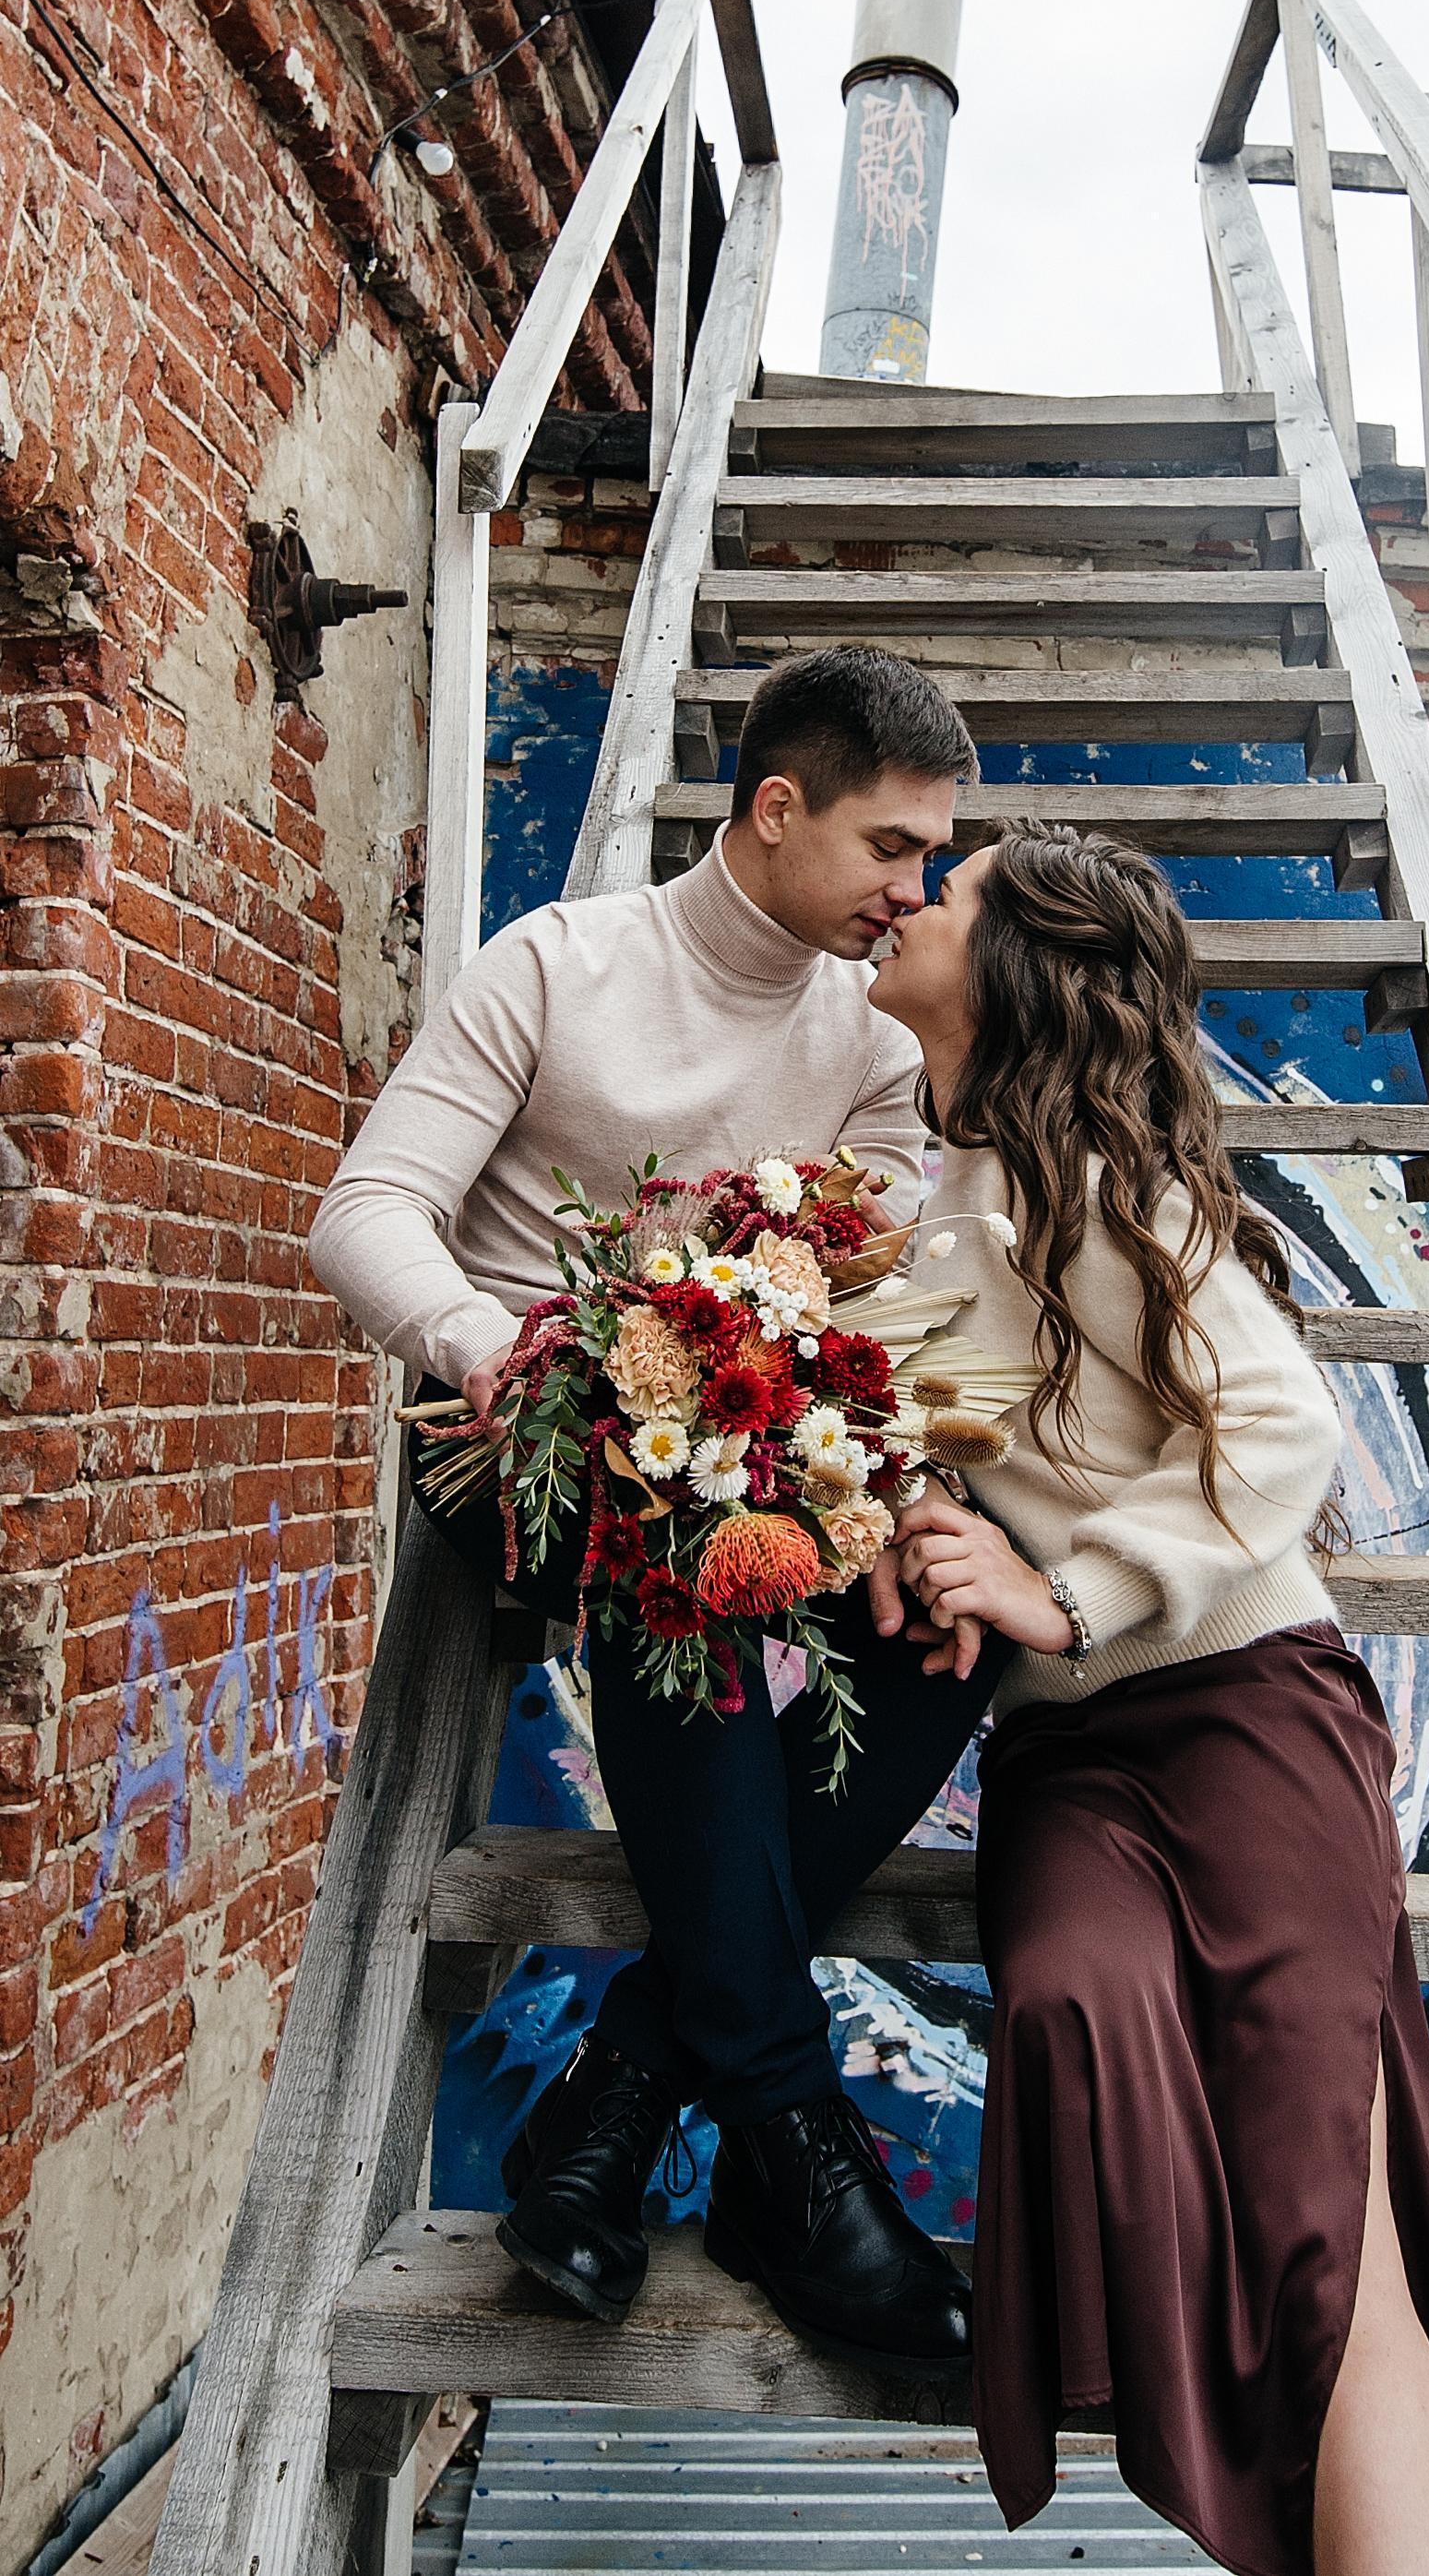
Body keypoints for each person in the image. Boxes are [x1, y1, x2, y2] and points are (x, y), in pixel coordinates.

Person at [864, 818, 1429, 2576]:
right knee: (1064, 1998)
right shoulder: (932, 1199)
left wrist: (1064, 1590)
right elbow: (953, 1441)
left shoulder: (1108, 1189)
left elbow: (1284, 1431)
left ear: (1018, 964)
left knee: (1320, 2230)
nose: (906, 900)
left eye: (946, 890)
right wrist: (918, 1516)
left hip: (1245, 1722)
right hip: (1069, 1760)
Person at [309, 646, 1007, 2374]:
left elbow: (860, 1281)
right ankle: (791, 2138)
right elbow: (366, 1209)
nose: (915, 888)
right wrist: (488, 1345)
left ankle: (619, 2091)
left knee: (955, 1612)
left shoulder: (871, 1034)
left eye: (932, 855)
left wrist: (879, 1477)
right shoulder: (557, 964)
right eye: (892, 845)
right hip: (519, 1446)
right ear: (774, 809)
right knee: (675, 1566)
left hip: (752, 1445)